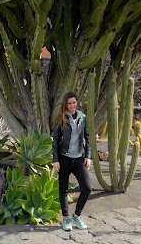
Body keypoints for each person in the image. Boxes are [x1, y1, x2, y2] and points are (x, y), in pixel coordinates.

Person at [52, 92, 92, 232]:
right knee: (63, 190)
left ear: (77, 103)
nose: (72, 105)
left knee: (87, 188)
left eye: (74, 102)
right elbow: (56, 140)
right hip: (64, 159)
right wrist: (55, 160)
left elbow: (87, 137)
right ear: (65, 104)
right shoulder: (61, 118)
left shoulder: (82, 117)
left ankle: (76, 215)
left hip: (79, 159)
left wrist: (88, 156)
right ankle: (66, 218)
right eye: (69, 103)